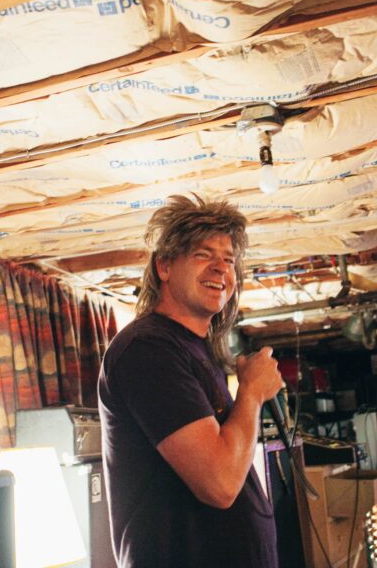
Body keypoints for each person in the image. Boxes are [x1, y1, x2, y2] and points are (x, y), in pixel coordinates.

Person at [97, 195, 283, 568]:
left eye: (228, 260)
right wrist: (252, 392)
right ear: (164, 265)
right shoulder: (148, 349)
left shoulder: (193, 349)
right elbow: (220, 483)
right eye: (203, 254)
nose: (221, 269)